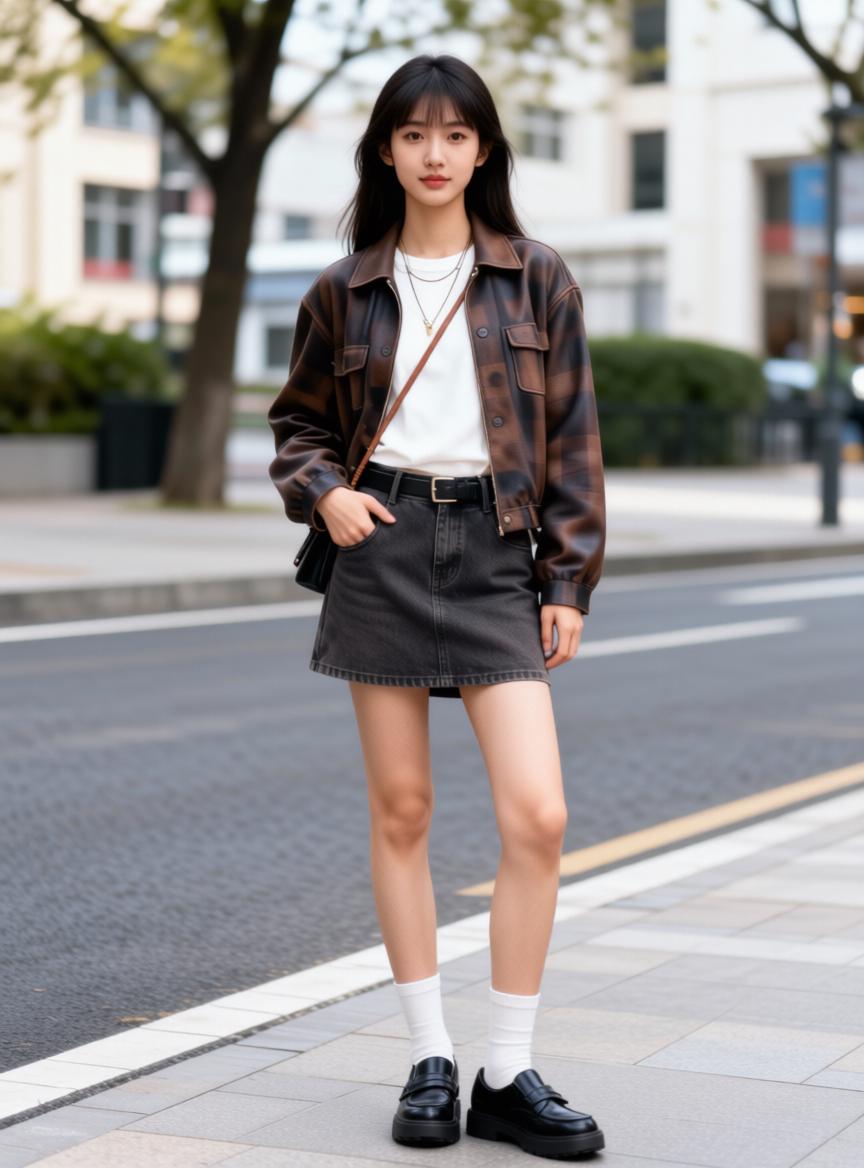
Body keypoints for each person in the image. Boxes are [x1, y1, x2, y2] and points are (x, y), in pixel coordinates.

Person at [267, 53, 606, 1160]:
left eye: (455, 135)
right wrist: (329, 496)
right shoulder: (344, 288)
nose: (434, 154)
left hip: (503, 552)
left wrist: (568, 581)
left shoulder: (536, 277)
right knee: (403, 810)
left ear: (484, 150)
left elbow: (576, 444)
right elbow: (298, 429)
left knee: (538, 816)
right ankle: (428, 1056)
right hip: (388, 546)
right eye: (413, 134)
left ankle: (506, 1070)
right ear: (384, 149)